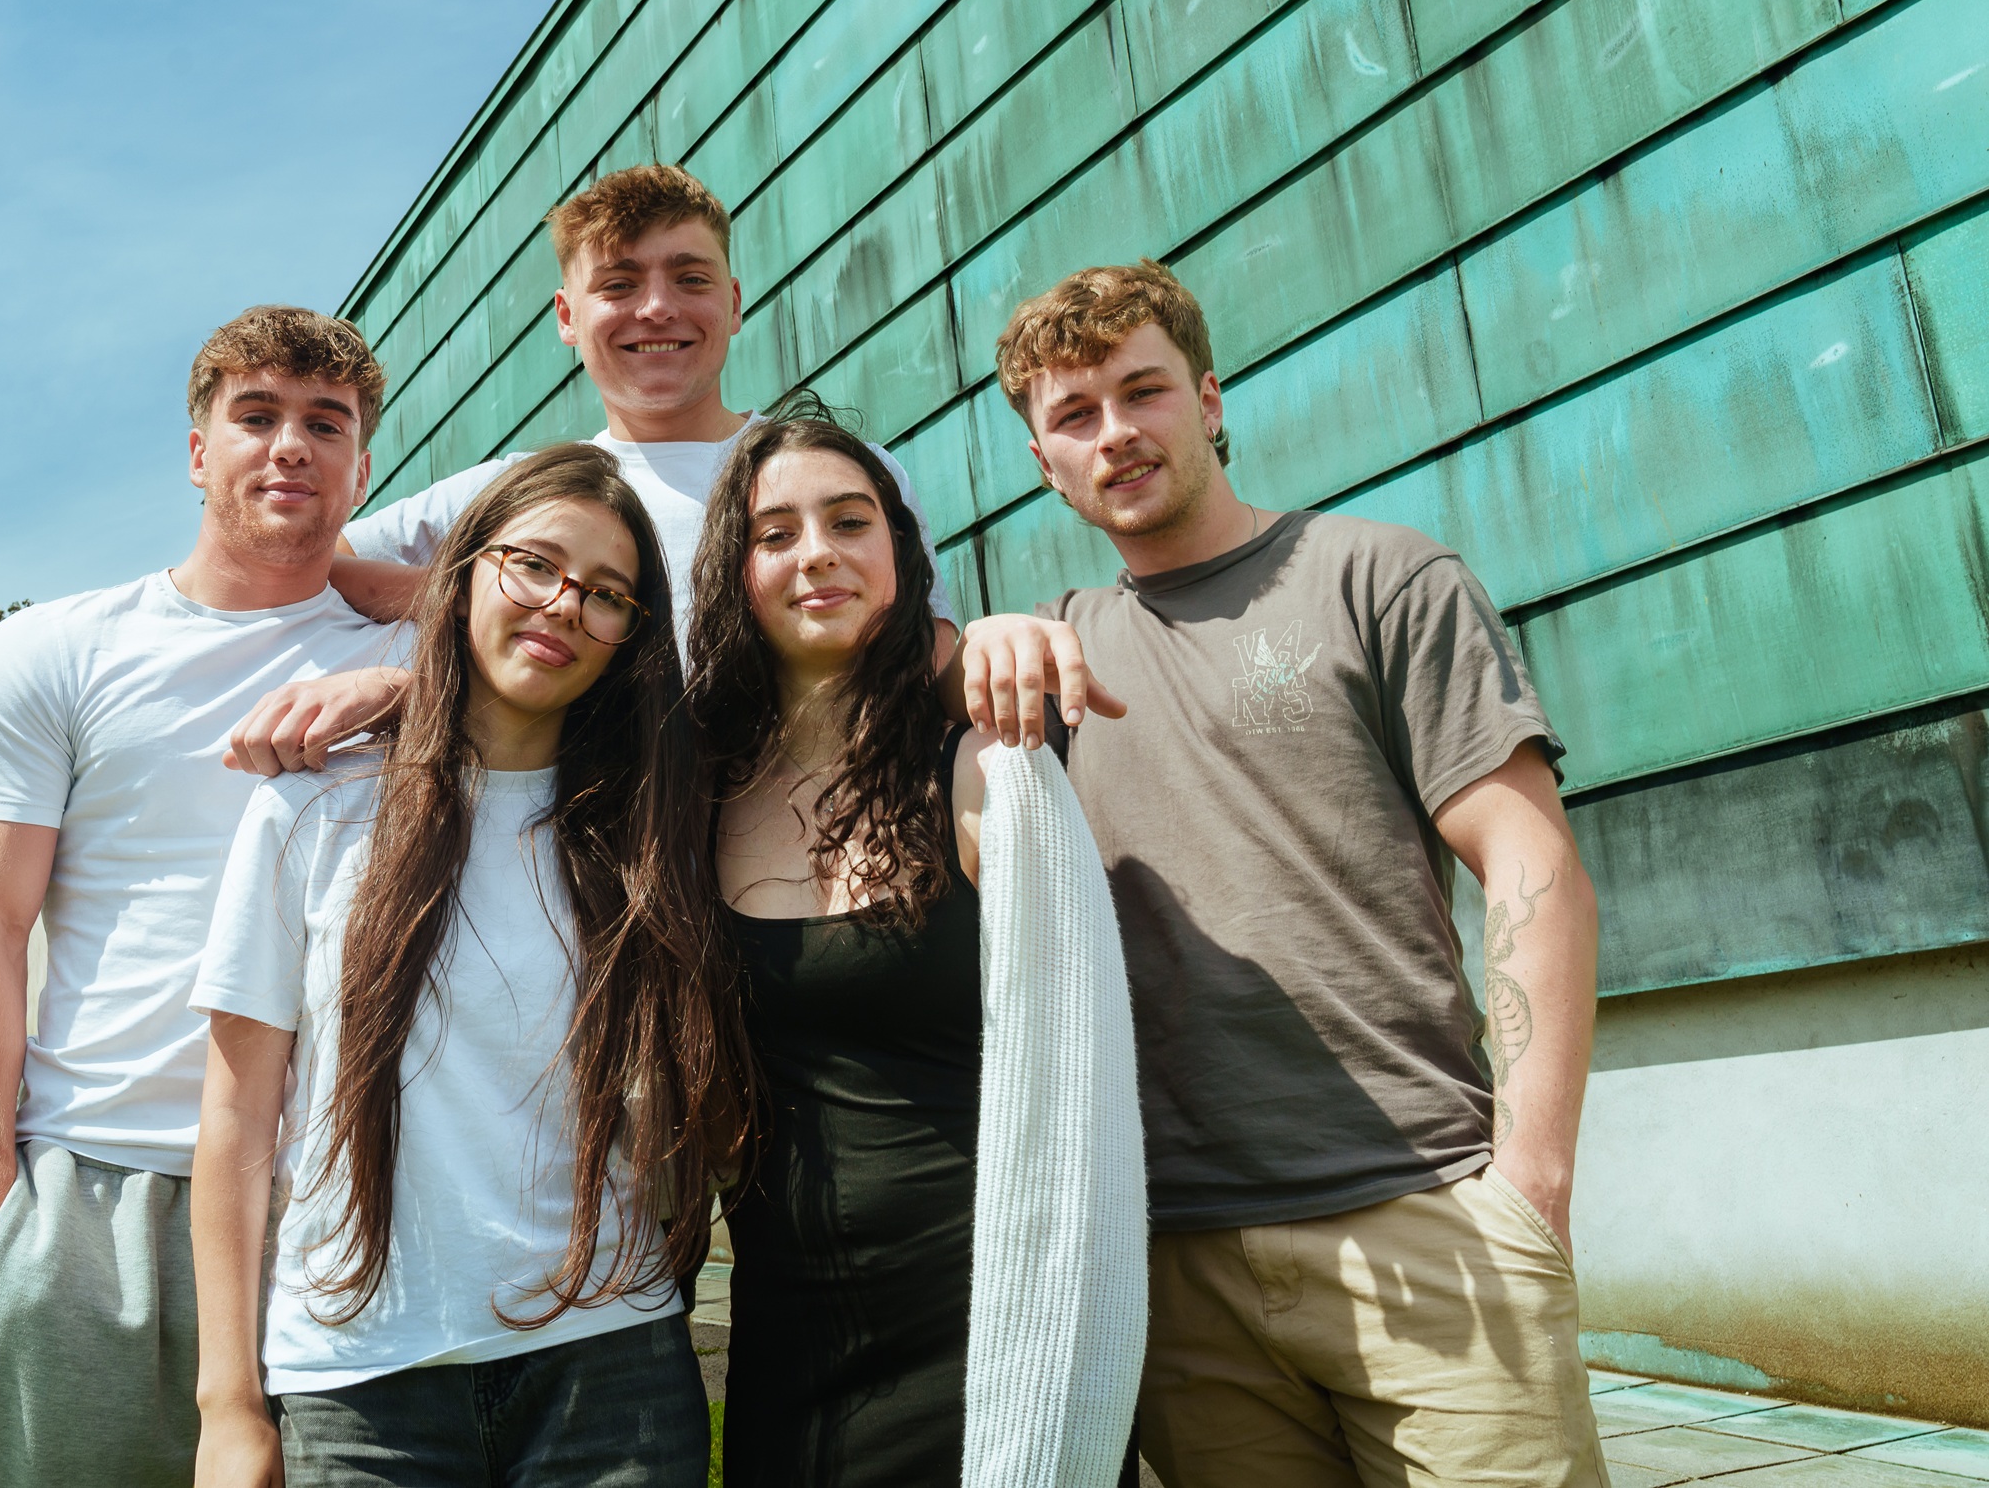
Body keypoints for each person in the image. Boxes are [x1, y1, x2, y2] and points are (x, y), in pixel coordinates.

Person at [953, 260, 1607, 1485]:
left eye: (1142, 391)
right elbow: (979, 871)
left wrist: (1532, 1181)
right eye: (1074, 415)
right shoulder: (1045, 666)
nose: (1117, 434)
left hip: (1424, 1212)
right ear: (1045, 462)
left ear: (1208, 398)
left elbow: (1530, 858)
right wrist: (971, 662)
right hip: (1182, 1264)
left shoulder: (1377, 576)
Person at [186, 443, 751, 1488]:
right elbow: (234, 1121)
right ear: (464, 573)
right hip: (362, 1379)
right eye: (533, 564)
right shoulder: (310, 806)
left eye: (608, 594)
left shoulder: (651, 832)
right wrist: (228, 1404)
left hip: (612, 1368)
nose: (562, 606)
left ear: (630, 636)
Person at [0, 307, 411, 1488]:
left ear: (361, 464)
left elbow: (612, 634)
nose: (289, 445)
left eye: (323, 424)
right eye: (256, 417)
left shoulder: (427, 655)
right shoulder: (54, 651)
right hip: (97, 1190)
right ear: (199, 450)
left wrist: (401, 662)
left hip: (344, 1200)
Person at [221, 163, 957, 777]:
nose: (658, 308)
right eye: (619, 285)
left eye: (691, 278)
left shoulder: (836, 477)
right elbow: (332, 558)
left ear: (733, 304)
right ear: (567, 318)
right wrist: (461, 608)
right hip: (620, 868)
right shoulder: (527, 492)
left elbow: (934, 650)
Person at [684, 405, 1005, 1486]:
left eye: (849, 520)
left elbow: (1089, 1051)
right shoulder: (694, 795)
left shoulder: (980, 773)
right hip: (785, 1323)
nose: (816, 551)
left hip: (989, 1314)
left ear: (900, 557)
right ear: (737, 574)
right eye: (775, 533)